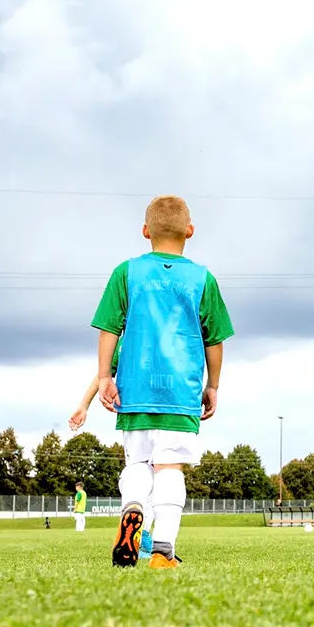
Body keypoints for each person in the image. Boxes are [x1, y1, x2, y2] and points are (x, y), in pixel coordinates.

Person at [68, 194, 232, 570]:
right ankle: (162, 551)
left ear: (146, 232)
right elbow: (215, 340)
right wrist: (213, 386)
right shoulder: (203, 278)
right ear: (190, 231)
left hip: (136, 389)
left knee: (137, 463)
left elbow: (108, 329)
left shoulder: (126, 272)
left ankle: (133, 509)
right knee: (170, 468)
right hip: (180, 391)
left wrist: (106, 377)